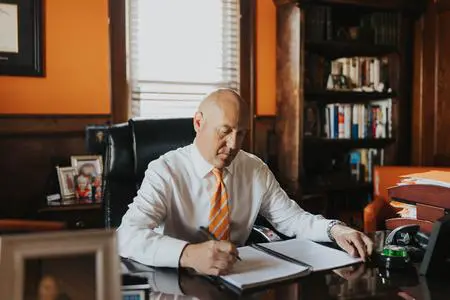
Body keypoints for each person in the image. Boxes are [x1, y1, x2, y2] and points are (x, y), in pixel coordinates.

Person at [118, 88, 373, 276]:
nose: (233, 146)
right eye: (225, 131)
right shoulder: (166, 170)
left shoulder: (253, 168)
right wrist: (188, 254)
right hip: (178, 279)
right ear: (198, 123)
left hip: (239, 278)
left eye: (241, 134)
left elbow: (293, 219)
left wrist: (335, 230)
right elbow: (126, 236)